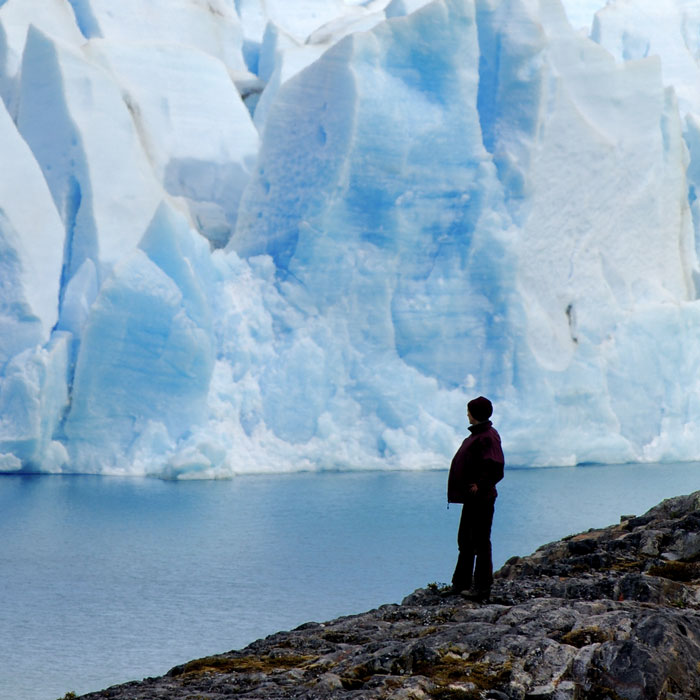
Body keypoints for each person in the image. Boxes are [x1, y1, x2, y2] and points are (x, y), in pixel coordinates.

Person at [445, 396, 504, 601]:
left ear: (475, 414)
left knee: (479, 541)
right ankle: (460, 583)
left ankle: (481, 587)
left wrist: (481, 485)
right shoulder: (479, 435)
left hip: (481, 498)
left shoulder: (487, 436)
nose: (467, 414)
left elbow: (496, 467)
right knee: (466, 540)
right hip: (473, 498)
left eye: (469, 411)